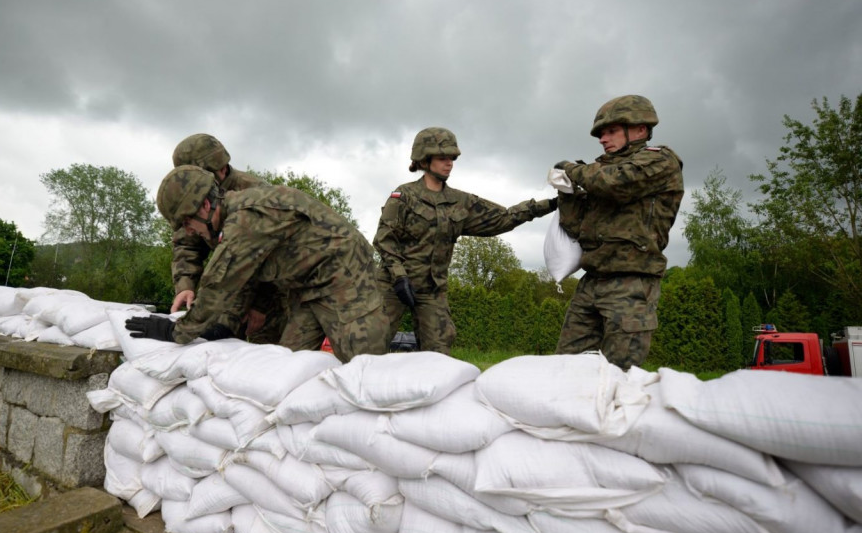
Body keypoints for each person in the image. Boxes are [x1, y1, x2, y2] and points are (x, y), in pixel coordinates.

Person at [126, 166, 388, 362]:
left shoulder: (244, 222)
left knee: (363, 368)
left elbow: (218, 285)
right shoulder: (234, 219)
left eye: (186, 222)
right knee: (288, 364)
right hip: (307, 287)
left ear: (205, 205)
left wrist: (175, 332)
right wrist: (222, 325)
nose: (189, 231)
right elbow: (244, 280)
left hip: (346, 279)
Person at [372, 127, 558, 354]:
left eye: (452, 158)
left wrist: (551, 204)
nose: (449, 163)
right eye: (442, 157)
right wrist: (399, 276)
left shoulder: (460, 202)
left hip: (432, 290)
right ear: (424, 159)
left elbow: (504, 218)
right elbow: (384, 239)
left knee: (439, 349)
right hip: (393, 283)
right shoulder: (404, 197)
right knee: (370, 342)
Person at [552, 94, 684, 370]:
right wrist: (567, 194)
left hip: (632, 282)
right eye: (601, 133)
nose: (602, 139)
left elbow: (615, 184)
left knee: (619, 374)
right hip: (592, 281)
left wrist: (574, 170)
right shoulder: (597, 172)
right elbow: (576, 228)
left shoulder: (661, 161)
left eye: (611, 131)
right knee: (566, 368)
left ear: (640, 129)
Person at [169, 133, 284, 343]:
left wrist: (260, 305)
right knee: (215, 345)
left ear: (221, 169)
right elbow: (187, 244)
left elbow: (276, 254)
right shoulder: (191, 195)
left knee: (265, 354)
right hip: (226, 289)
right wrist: (185, 285)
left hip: (269, 291)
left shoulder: (258, 194)